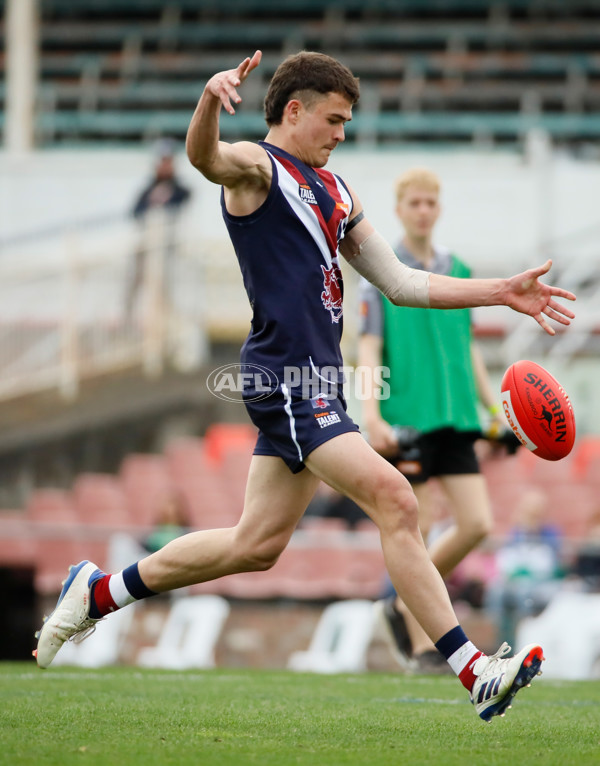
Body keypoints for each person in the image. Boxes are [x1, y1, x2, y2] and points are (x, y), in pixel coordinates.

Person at [34, 50, 576, 722]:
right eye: (334, 119)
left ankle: (99, 592)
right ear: (294, 111)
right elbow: (207, 160)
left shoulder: (339, 191)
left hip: (318, 381)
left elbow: (403, 284)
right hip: (286, 377)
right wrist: (207, 102)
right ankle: (473, 671)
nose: (341, 132)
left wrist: (501, 292)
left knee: (254, 544)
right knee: (396, 499)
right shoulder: (258, 170)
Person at [358, 167, 507, 673]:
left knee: (477, 524)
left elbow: (466, 351)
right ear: (399, 209)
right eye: (414, 203)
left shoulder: (459, 269)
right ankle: (424, 650)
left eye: (430, 203)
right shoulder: (380, 268)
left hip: (458, 418)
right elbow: (367, 347)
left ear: (438, 209)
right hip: (408, 421)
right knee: (414, 533)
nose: (423, 210)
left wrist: (493, 413)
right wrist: (371, 413)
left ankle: (402, 603)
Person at [484, 489, 565, 648]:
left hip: (540, 581)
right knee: (496, 590)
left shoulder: (549, 533)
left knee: (523, 593)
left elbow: (549, 564)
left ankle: (523, 641)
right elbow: (507, 559)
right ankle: (499, 641)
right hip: (514, 580)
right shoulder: (516, 532)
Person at [125, 139, 192, 318]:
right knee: (134, 282)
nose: (164, 165)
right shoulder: (148, 190)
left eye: (168, 161)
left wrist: (165, 200)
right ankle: (128, 318)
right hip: (147, 245)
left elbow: (181, 205)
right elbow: (135, 212)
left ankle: (166, 319)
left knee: (165, 285)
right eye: (162, 161)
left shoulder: (180, 190)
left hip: (168, 247)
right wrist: (154, 201)